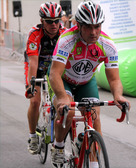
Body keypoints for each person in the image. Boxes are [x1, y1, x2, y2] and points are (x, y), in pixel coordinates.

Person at [49, 1, 131, 168]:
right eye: (88, 27)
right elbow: (54, 74)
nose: (94, 32)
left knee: (94, 117)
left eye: (97, 26)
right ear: (78, 25)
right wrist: (63, 98)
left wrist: (118, 96)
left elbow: (114, 79)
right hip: (64, 80)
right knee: (68, 112)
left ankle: (93, 164)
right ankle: (58, 146)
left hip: (86, 82)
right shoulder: (67, 40)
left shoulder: (108, 45)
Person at [24, 2, 67, 155]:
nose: (54, 24)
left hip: (54, 68)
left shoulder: (64, 33)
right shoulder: (35, 33)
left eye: (57, 20)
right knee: (35, 101)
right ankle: (32, 136)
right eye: (49, 21)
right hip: (38, 67)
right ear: (42, 21)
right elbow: (33, 63)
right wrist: (31, 84)